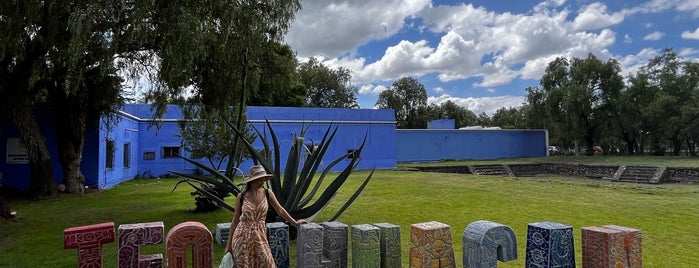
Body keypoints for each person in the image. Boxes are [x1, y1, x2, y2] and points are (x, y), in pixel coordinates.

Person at [224, 165, 307, 267]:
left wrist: (294, 222)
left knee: (268, 263)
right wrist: (228, 245)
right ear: (252, 181)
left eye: (263, 179)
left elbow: (280, 210)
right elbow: (235, 220)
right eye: (259, 180)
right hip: (241, 238)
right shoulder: (241, 197)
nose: (262, 182)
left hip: (260, 236)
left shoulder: (267, 193)